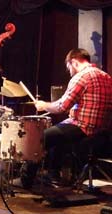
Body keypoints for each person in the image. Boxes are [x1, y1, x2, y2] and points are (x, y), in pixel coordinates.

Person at [34, 48, 112, 182]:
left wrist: (44, 105)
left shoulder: (82, 77)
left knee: (41, 137)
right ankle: (53, 175)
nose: (69, 71)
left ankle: (26, 180)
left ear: (74, 62)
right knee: (59, 131)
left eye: (68, 67)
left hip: (84, 126)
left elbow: (62, 106)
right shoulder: (106, 77)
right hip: (102, 129)